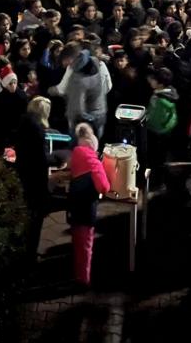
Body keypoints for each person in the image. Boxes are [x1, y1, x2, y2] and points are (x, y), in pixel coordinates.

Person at [14, 96, 60, 259]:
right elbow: (41, 159)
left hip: (23, 173)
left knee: (26, 216)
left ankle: (23, 250)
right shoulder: (37, 131)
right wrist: (57, 159)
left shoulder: (23, 123)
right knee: (36, 219)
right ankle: (30, 255)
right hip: (35, 179)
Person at [67, 122, 111, 287]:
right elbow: (104, 187)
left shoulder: (76, 154)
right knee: (86, 245)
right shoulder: (94, 164)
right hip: (87, 208)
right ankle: (83, 280)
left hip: (73, 206)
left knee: (77, 241)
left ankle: (76, 273)